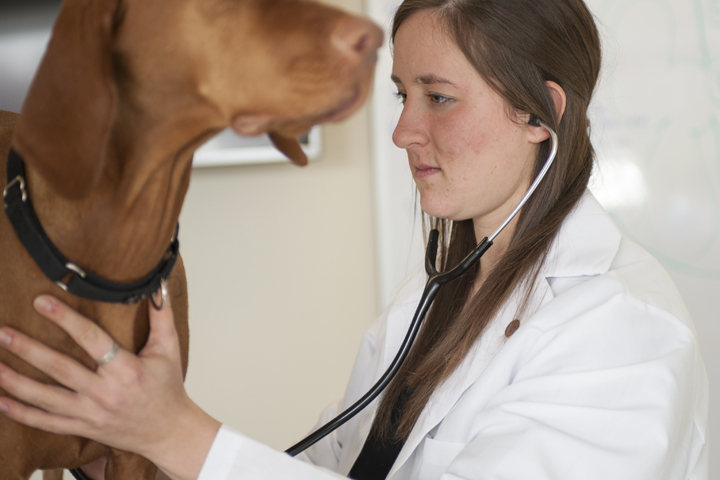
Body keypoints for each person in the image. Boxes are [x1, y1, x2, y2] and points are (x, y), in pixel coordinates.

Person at [0, 0, 708, 478]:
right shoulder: (429, 301)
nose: (403, 132)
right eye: (403, 95)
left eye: (440, 97)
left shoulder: (623, 330)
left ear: (539, 115)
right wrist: (120, 441)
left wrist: (176, 433)